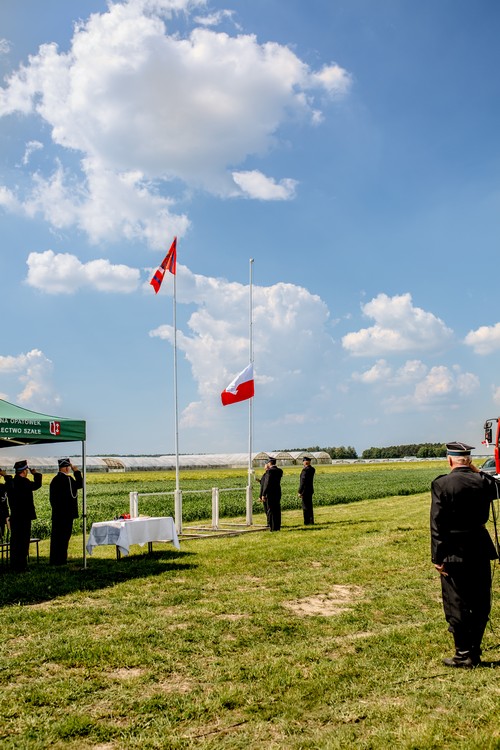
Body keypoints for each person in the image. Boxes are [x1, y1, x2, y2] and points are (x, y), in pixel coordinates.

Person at [430, 441, 499, 668]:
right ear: (468, 460)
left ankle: (463, 654)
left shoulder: (441, 484)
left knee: (456, 601)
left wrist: (437, 557)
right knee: (480, 601)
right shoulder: (482, 482)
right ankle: (474, 651)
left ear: (450, 460)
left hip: (453, 550)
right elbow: (498, 487)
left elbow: (437, 524)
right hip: (479, 547)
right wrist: (478, 471)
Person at [8, 460, 42, 572]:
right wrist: (36, 474)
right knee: (23, 542)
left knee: (15, 541)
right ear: (24, 471)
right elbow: (37, 485)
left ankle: (14, 564)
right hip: (24, 517)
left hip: (15, 516)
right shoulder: (25, 482)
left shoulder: (11, 482)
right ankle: (22, 565)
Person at [49, 458, 83, 565]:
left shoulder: (54, 480)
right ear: (67, 468)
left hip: (57, 514)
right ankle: (61, 559)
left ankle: (54, 559)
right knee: (64, 538)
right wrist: (76, 472)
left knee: (56, 537)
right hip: (67, 514)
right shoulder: (68, 480)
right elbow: (80, 484)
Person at [261, 457, 283, 531]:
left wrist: (263, 494)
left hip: (270, 493)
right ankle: (277, 526)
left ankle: (272, 527)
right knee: (277, 510)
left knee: (271, 510)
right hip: (277, 492)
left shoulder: (269, 471)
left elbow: (267, 483)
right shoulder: (279, 471)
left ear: (270, 463)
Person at [298, 456, 315, 525]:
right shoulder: (312, 469)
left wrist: (300, 491)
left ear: (305, 462)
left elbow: (303, 481)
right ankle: (311, 520)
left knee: (305, 507)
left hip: (305, 491)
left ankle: (307, 521)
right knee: (310, 506)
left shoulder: (305, 470)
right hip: (310, 489)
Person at [0, 468, 10, 541]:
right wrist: (5, 475)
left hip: (2, 518)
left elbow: (4, 505)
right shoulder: (2, 487)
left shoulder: (2, 487)